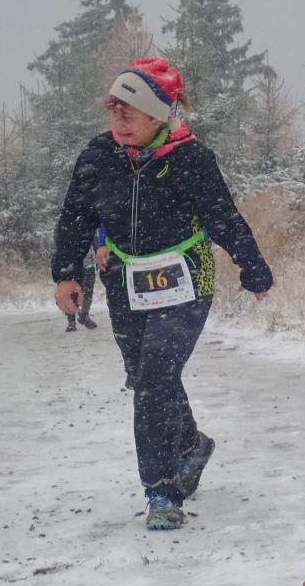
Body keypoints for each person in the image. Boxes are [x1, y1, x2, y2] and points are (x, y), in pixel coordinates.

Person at [52, 57, 273, 530]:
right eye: (113, 110)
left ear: (158, 115)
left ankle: (160, 492)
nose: (118, 122)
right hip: (125, 282)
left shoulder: (192, 159)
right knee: (146, 377)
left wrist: (252, 266)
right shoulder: (98, 155)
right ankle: (191, 444)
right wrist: (67, 272)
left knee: (155, 381)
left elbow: (223, 218)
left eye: (129, 112)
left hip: (186, 280)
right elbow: (75, 216)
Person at [64, 246, 99, 332]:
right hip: (73, 265)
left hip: (89, 265)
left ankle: (84, 315)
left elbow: (95, 242)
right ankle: (71, 321)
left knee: (88, 292)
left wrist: (98, 256)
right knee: (72, 293)